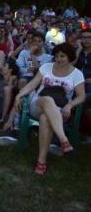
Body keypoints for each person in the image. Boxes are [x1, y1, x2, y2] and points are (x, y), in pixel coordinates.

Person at [12, 43, 85, 174]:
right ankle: (63, 140)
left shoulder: (77, 74)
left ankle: (41, 162)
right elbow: (32, 85)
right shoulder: (46, 67)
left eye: (62, 56)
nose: (59, 59)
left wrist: (69, 105)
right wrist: (19, 95)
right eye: (56, 56)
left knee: (45, 118)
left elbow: (81, 96)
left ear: (70, 57)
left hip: (59, 111)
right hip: (37, 104)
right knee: (47, 99)